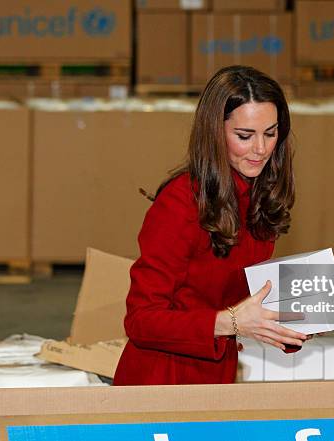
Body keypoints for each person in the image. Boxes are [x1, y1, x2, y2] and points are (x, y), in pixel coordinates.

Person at [113, 65, 307, 386]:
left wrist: (292, 321)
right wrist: (230, 322)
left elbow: (237, 301)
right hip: (161, 382)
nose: (260, 149)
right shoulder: (181, 203)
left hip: (216, 376)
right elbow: (140, 320)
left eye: (270, 133)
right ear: (215, 133)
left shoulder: (260, 197)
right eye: (244, 136)